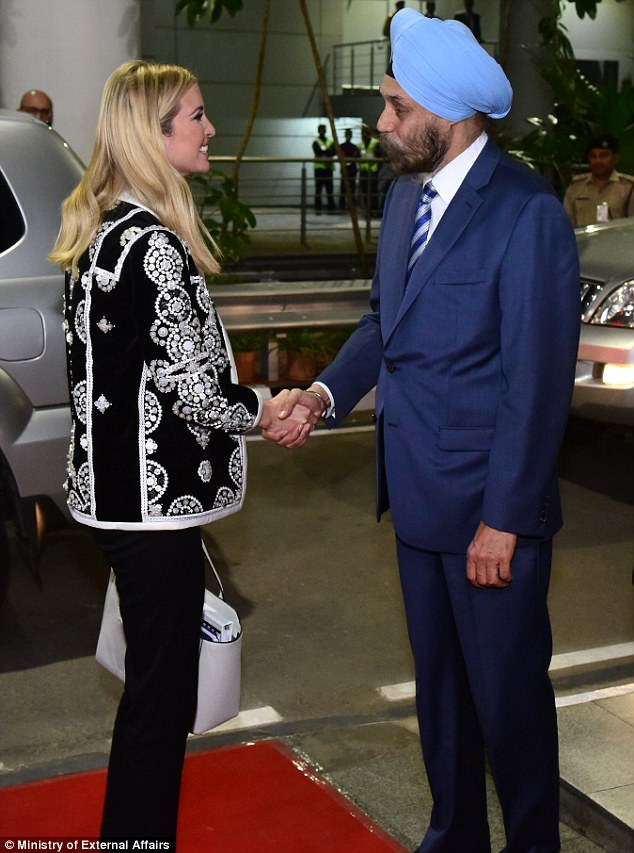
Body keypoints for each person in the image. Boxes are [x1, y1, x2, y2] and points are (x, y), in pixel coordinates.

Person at [267, 9, 580, 852]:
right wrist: (323, 395)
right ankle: (455, 836)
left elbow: (538, 384)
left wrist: (504, 518)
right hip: (414, 499)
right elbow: (386, 323)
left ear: (449, 114)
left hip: (487, 515)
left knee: (509, 706)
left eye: (397, 107)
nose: (382, 122)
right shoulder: (408, 195)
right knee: (441, 697)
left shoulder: (526, 212)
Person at [50, 60, 314, 848]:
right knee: (159, 705)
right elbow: (197, 393)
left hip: (111, 499)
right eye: (196, 116)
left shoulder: (100, 234)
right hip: (152, 508)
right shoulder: (156, 248)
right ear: (153, 132)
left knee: (150, 694)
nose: (210, 129)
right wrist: (269, 406)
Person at [563, 135, 634, 227]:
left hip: (617, 236)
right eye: (593, 156)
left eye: (604, 156)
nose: (598, 161)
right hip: (582, 236)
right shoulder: (576, 188)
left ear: (615, 158)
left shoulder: (629, 188)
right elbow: (566, 224)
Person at [358, 125, 381, 216]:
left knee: (373, 191)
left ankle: (374, 211)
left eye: (366, 133)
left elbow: (379, 155)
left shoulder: (375, 143)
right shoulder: (360, 144)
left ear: (369, 134)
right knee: (364, 192)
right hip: (363, 171)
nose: (364, 135)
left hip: (372, 171)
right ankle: (367, 211)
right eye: (363, 133)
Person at [312, 123, 335, 213]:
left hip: (328, 168)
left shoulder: (330, 141)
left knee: (330, 189)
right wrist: (327, 151)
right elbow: (317, 152)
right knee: (318, 189)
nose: (322, 131)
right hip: (319, 168)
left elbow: (333, 152)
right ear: (318, 131)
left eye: (323, 129)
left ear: (325, 131)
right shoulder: (316, 141)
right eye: (320, 130)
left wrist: (323, 152)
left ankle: (331, 208)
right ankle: (318, 209)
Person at [339, 127, 360, 210]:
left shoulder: (354, 147)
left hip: (352, 170)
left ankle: (351, 206)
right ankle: (342, 206)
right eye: (347, 134)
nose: (348, 136)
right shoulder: (341, 146)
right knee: (343, 189)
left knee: (352, 189)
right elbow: (340, 155)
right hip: (345, 170)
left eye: (349, 134)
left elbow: (357, 156)